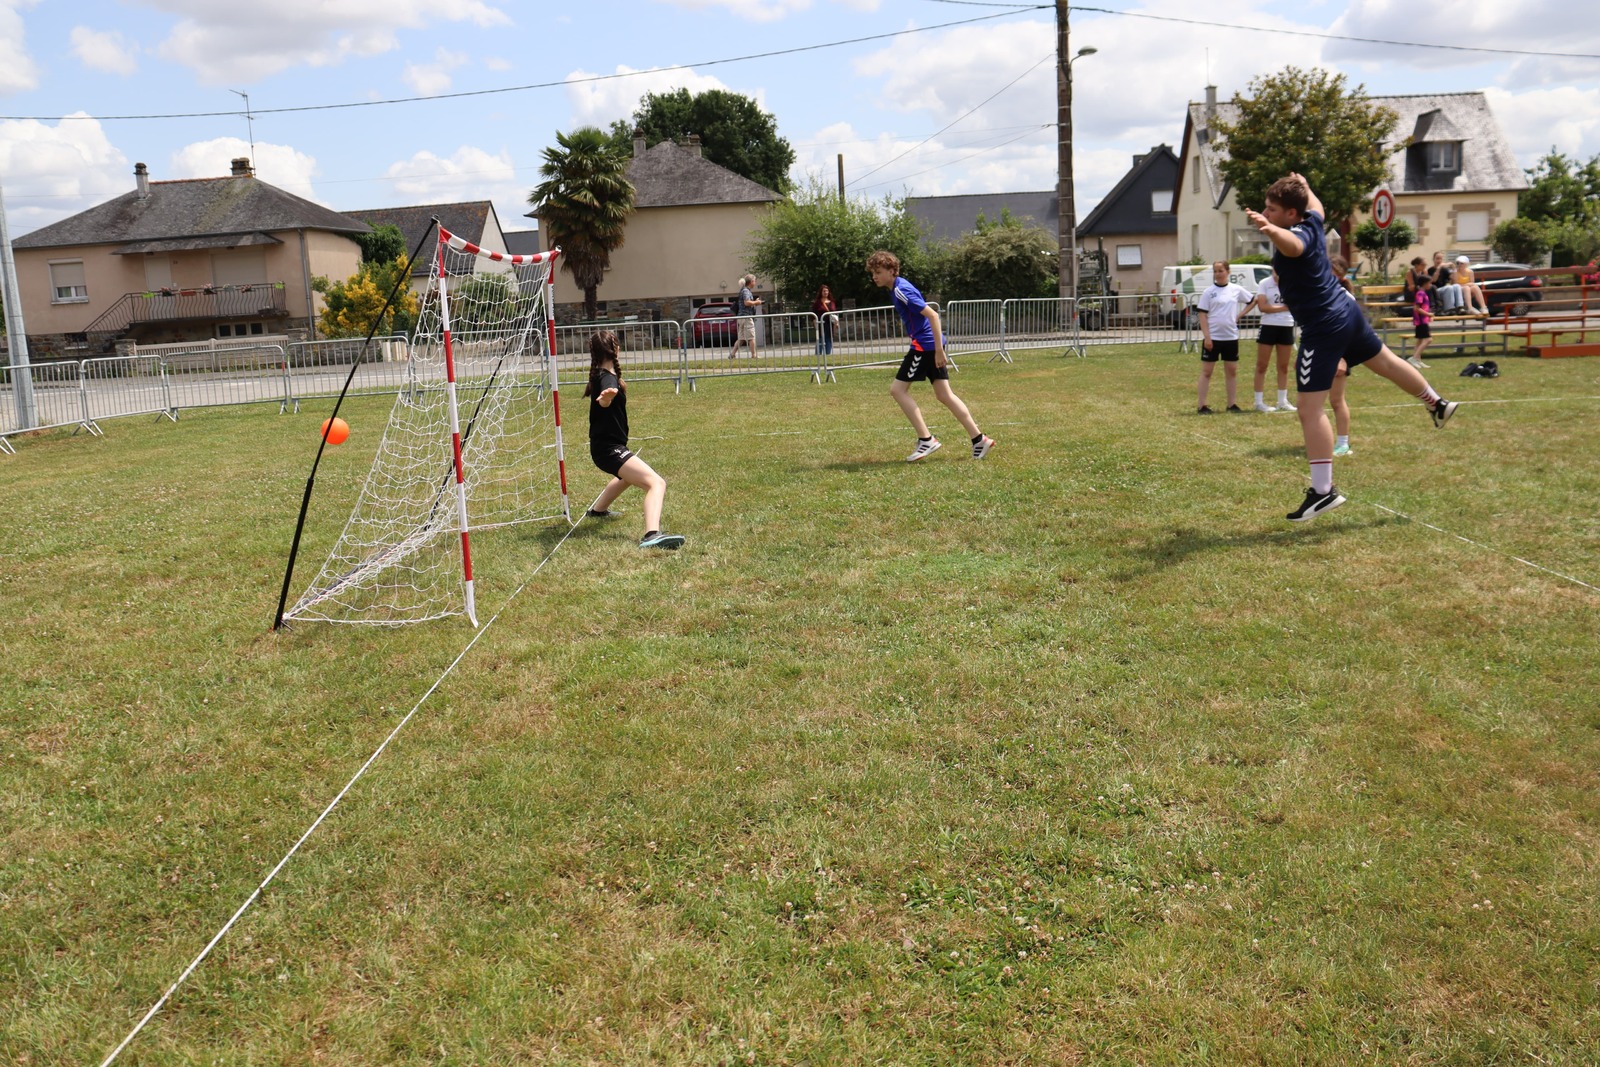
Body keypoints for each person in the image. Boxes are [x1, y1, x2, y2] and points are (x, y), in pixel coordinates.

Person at [1244, 172, 1458, 522]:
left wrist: (1270, 230)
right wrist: (1305, 186)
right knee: (1387, 363)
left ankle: (1323, 492)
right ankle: (1437, 403)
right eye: (1265, 209)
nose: (1266, 213)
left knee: (1309, 409)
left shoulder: (1297, 234)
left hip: (1324, 326)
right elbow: (1316, 205)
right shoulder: (1311, 219)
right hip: (1346, 310)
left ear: (1291, 214)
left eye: (1272, 209)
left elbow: (1292, 245)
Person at [866, 250, 994, 462]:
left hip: (924, 347)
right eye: (873, 273)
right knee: (945, 395)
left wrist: (938, 351)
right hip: (930, 345)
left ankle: (926, 440)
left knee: (898, 390)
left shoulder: (901, 290)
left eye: (878, 272)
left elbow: (933, 315)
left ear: (891, 271)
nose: (874, 277)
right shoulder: (897, 288)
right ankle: (979, 439)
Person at [584, 330, 685, 549]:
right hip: (608, 449)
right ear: (616, 349)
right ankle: (651, 535)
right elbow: (604, 400)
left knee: (626, 477)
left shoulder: (602, 374)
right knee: (656, 483)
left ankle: (598, 511)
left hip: (606, 447)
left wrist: (608, 397)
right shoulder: (607, 378)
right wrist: (606, 399)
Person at [1195, 260, 1253, 413]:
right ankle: (1202, 405)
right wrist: (1207, 337)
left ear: (1228, 272)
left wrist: (1239, 315)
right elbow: (1202, 315)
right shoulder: (1208, 292)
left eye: (1220, 271)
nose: (1218, 274)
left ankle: (1231, 404)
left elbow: (1252, 301)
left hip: (1230, 337)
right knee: (1207, 372)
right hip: (1213, 337)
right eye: (1215, 271)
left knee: (1231, 371)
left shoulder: (1236, 289)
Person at [1247, 268, 1297, 413]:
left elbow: (1294, 305)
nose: (1278, 275)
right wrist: (1284, 307)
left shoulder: (1291, 282)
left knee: (1283, 366)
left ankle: (1282, 401)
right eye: (1276, 271)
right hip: (1268, 325)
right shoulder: (1264, 283)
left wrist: (1279, 308)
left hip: (1286, 325)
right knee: (1262, 365)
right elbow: (1263, 307)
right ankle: (1258, 402)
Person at [728, 274, 763, 359]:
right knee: (751, 337)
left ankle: (732, 354)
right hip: (746, 317)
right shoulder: (746, 291)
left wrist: (754, 302)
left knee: (741, 338)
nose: (755, 283)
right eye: (754, 281)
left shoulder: (743, 290)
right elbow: (747, 303)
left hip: (741, 317)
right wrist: (756, 302)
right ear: (751, 282)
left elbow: (746, 303)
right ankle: (754, 355)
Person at [1410, 274, 1434, 369]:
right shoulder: (1420, 293)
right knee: (1428, 339)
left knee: (1420, 340)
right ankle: (1414, 358)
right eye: (1429, 283)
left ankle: (1418, 360)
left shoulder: (1423, 293)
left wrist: (1428, 316)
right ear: (1425, 283)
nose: (1430, 285)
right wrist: (1428, 314)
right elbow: (1417, 308)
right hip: (1421, 321)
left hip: (1423, 320)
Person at [812, 284, 838, 356]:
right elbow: (813, 314)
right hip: (821, 324)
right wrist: (815, 323)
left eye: (827, 291)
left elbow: (835, 313)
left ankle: (827, 354)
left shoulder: (832, 302)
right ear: (821, 292)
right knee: (820, 339)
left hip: (830, 324)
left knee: (829, 339)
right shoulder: (817, 303)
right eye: (824, 291)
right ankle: (818, 355)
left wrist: (836, 322)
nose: (825, 292)